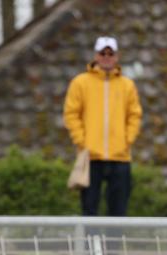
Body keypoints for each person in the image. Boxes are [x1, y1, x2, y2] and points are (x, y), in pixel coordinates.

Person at [63, 36, 142, 219]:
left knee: (118, 209)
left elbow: (134, 115)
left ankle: (113, 247)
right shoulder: (80, 83)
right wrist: (82, 142)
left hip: (120, 156)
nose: (106, 57)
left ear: (117, 56)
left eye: (110, 53)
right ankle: (93, 247)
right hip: (91, 156)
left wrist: (127, 140)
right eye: (103, 53)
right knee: (90, 208)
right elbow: (71, 113)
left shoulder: (127, 85)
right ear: (96, 55)